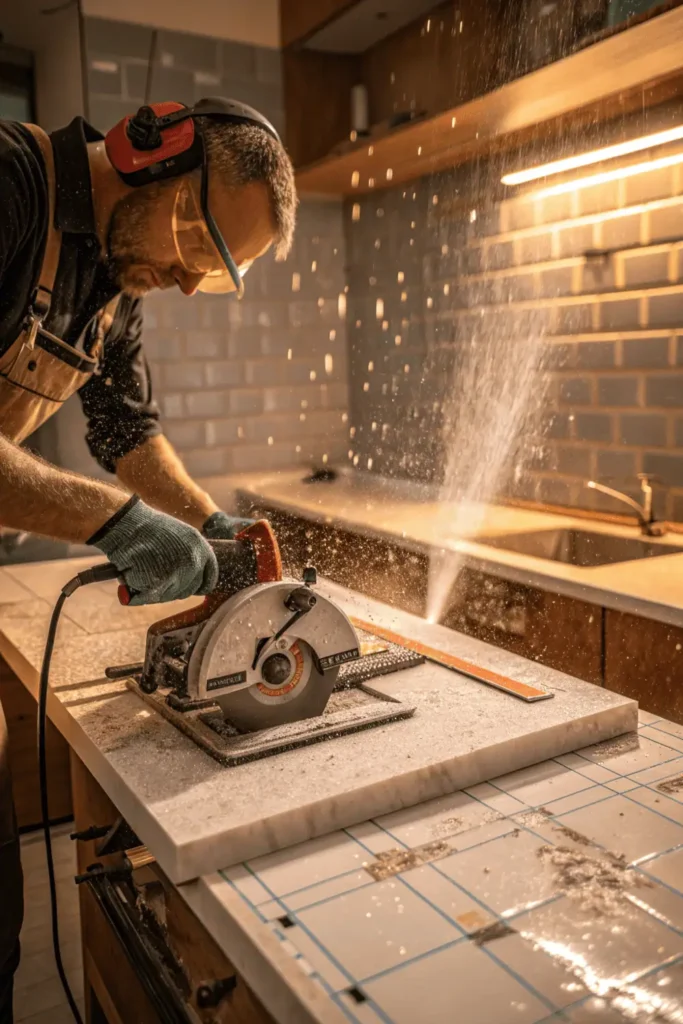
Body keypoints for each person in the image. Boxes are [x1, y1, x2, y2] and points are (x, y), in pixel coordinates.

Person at [0, 96, 297, 1022]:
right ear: (151, 148)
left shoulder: (112, 281)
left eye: (210, 272)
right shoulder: (10, 184)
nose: (184, 278)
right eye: (193, 240)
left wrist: (210, 526)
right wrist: (117, 525)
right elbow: (115, 493)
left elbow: (126, 432)